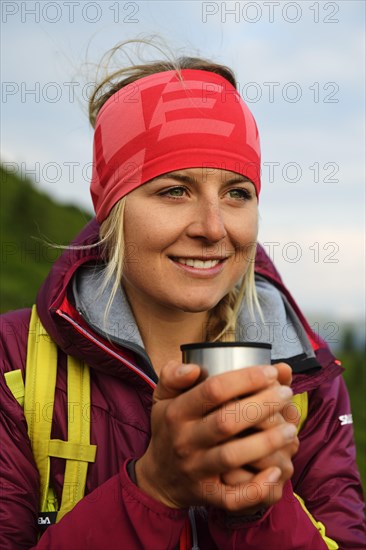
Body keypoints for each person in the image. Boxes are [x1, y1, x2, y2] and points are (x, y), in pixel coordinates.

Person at [1, 48, 365, 550]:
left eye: (237, 193)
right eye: (175, 190)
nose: (213, 228)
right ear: (112, 207)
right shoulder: (14, 363)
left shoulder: (305, 380)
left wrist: (257, 508)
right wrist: (155, 489)